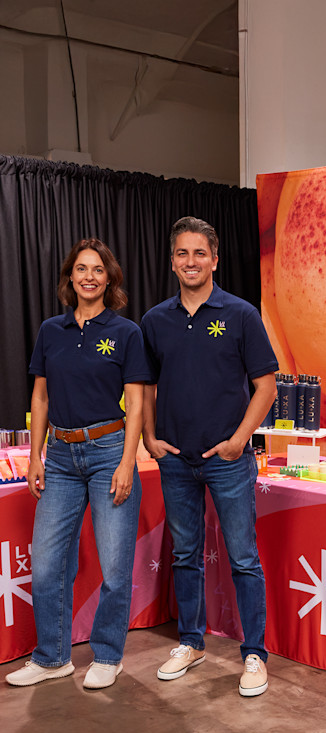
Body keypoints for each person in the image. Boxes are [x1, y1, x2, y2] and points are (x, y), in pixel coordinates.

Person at [141, 216, 277, 697]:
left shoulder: (241, 315)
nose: (191, 261)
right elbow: (144, 388)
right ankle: (191, 642)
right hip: (176, 460)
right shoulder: (155, 321)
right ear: (172, 262)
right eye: (182, 253)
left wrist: (240, 440)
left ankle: (254, 654)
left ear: (215, 260)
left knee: (243, 558)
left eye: (200, 253)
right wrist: (150, 437)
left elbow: (266, 386)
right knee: (185, 555)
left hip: (228, 459)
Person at [5, 238, 149, 690]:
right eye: (81, 269)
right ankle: (52, 658)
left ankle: (108, 655)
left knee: (115, 568)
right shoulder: (52, 330)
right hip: (62, 458)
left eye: (98, 270)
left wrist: (127, 461)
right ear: (70, 276)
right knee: (48, 565)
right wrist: (36, 456)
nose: (89, 276)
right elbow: (41, 398)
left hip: (109, 452)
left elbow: (137, 402)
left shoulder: (126, 332)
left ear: (110, 279)